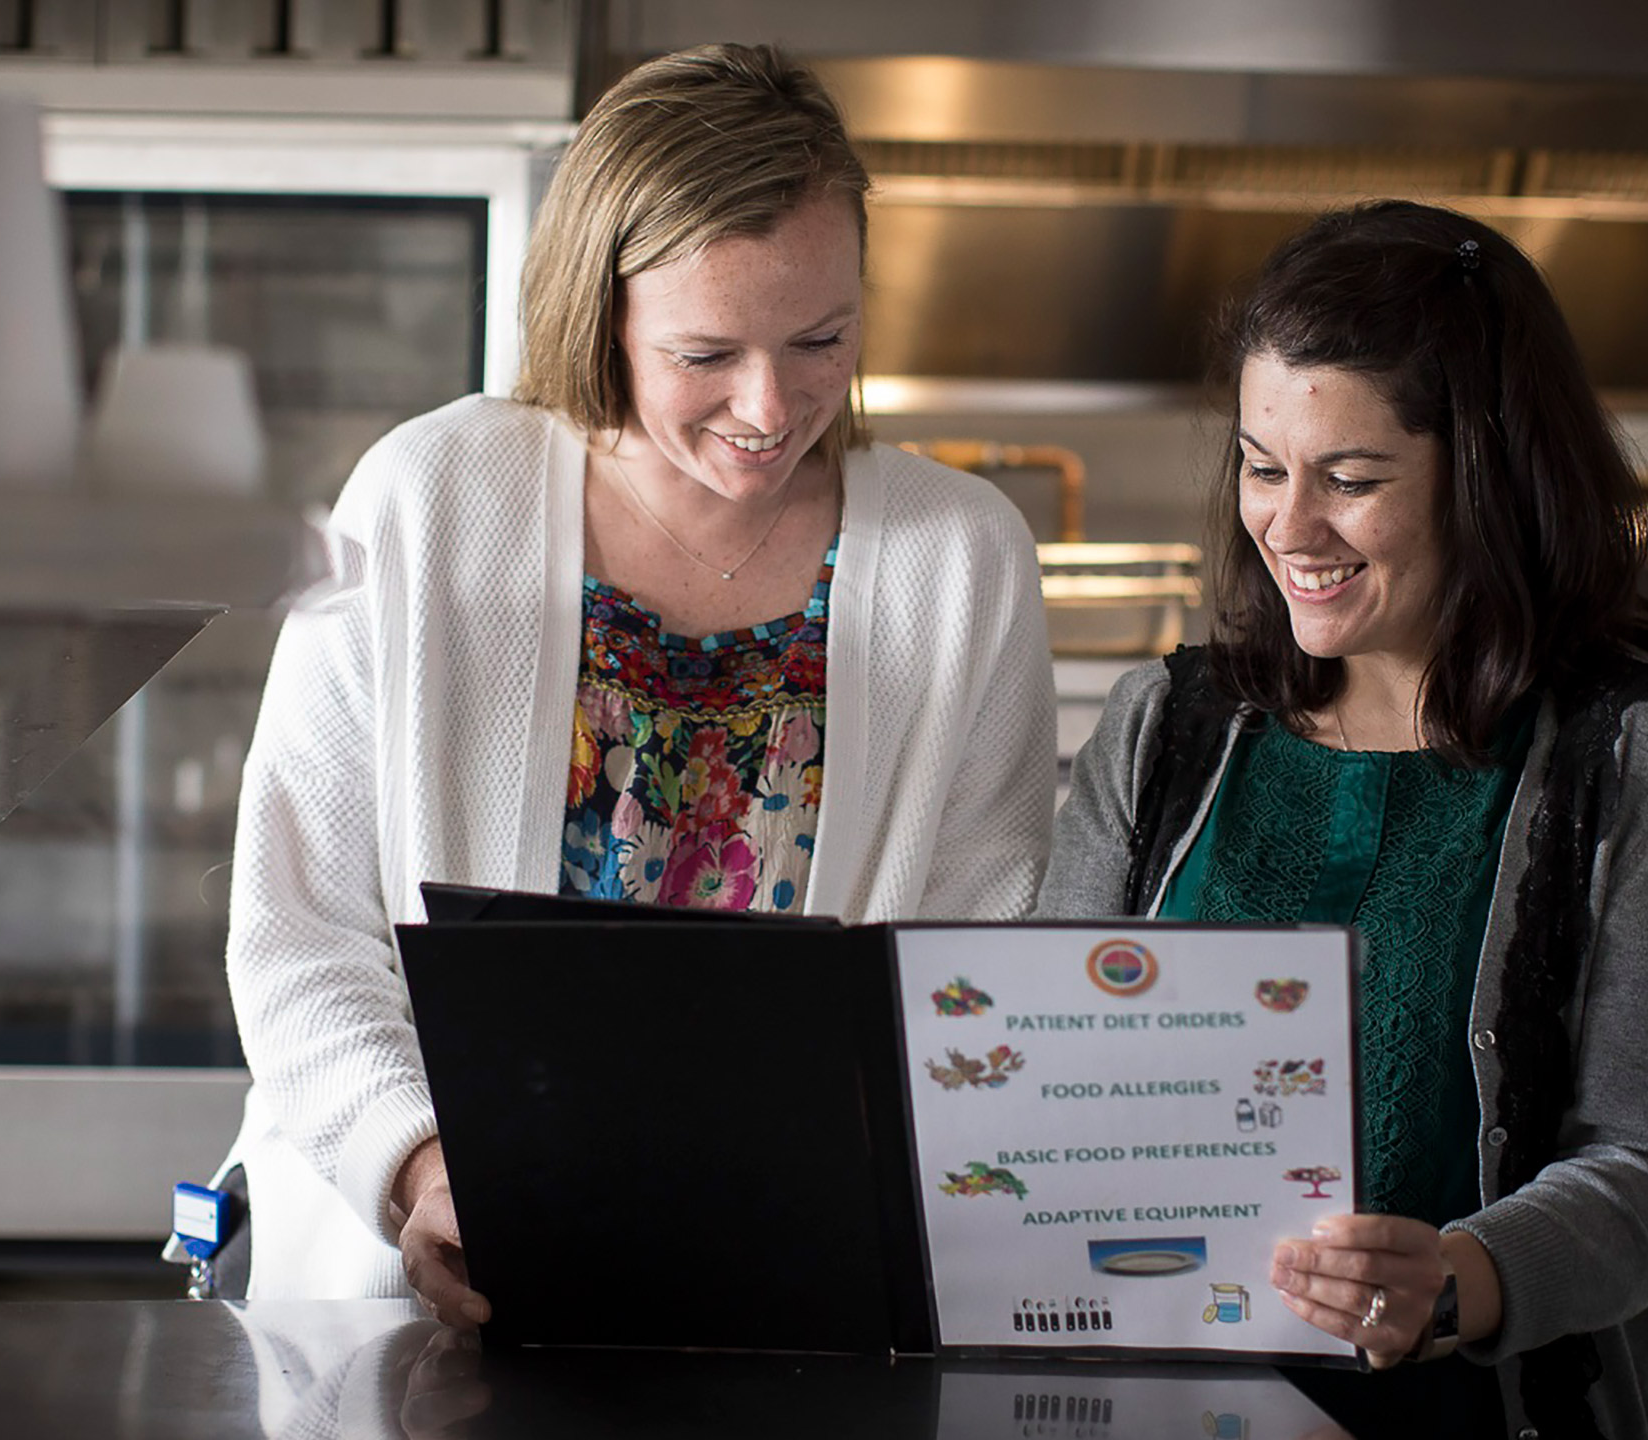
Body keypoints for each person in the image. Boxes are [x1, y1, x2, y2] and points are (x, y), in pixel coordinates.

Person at [215, 45, 1055, 1313]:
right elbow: (300, 929)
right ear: (598, 312)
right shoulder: (426, 501)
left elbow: (976, 958)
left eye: (821, 338)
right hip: (431, 1263)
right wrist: (425, 1174)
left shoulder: (963, 555)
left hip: (798, 1279)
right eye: (706, 354)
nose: (770, 407)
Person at [1037, 200, 1648, 1440]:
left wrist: (1456, 1282)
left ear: (1481, 478)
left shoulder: (1639, 756)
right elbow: (1055, 1076)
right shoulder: (1163, 725)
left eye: (1352, 479)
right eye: (1264, 469)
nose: (1289, 525)